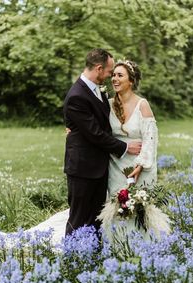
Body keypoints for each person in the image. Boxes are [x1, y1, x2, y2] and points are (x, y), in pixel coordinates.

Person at [63, 49, 142, 236]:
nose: (110, 75)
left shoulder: (96, 90)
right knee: (79, 218)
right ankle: (71, 260)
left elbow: (102, 124)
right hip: (82, 169)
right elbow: (95, 133)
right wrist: (125, 147)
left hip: (98, 167)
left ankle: (93, 258)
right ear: (99, 69)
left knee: (96, 218)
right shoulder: (77, 95)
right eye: (109, 71)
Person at [98, 60, 170, 241]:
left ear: (131, 81)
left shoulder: (142, 104)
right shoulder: (108, 104)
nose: (114, 78)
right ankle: (117, 248)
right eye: (113, 75)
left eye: (119, 75)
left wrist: (140, 165)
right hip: (116, 165)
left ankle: (146, 249)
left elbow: (150, 138)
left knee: (139, 209)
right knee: (117, 209)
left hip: (141, 166)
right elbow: (98, 131)